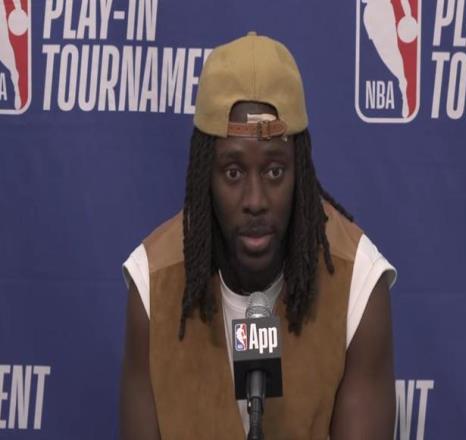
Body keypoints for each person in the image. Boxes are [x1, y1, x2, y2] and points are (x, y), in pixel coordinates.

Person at [120, 32, 397, 439]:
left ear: (300, 170)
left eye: (274, 171)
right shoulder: (153, 283)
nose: (255, 200)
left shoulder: (357, 283)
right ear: (206, 175)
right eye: (233, 172)